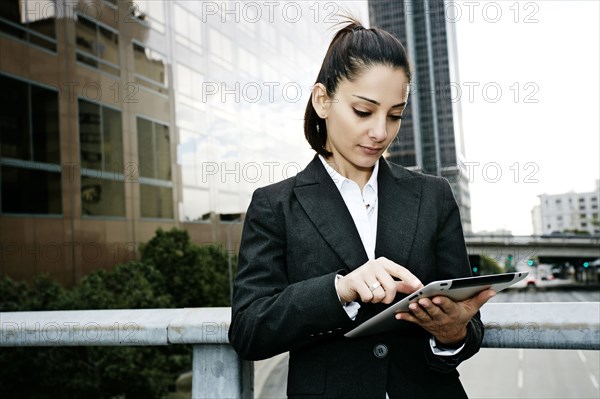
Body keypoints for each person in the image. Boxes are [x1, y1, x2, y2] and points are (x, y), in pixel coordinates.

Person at [229, 18, 495, 399]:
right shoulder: (275, 205)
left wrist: (452, 333)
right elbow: (249, 330)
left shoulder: (433, 195)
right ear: (322, 100)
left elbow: (468, 328)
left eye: (394, 115)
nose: (380, 132)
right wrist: (341, 289)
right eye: (363, 110)